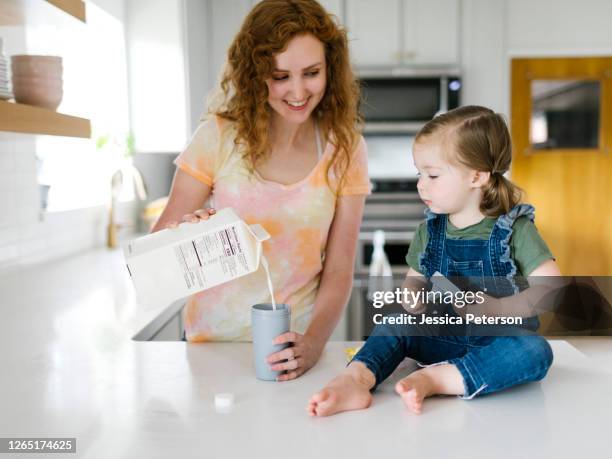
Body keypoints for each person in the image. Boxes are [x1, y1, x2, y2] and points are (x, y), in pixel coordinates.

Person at [152, 0, 370, 381]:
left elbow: (338, 268)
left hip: (292, 352)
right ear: (255, 75)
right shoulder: (217, 138)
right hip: (209, 352)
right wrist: (192, 236)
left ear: (330, 70)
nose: (298, 91)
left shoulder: (346, 149)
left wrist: (314, 343)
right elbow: (155, 262)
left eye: (312, 73)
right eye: (279, 76)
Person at [308, 105, 560, 416]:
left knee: (535, 351)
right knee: (395, 323)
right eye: (419, 174)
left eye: (433, 175)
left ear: (476, 176)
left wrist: (497, 308)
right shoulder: (430, 231)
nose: (421, 184)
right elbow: (413, 284)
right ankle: (355, 379)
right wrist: (414, 298)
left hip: (498, 344)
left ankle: (437, 379)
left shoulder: (515, 229)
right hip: (443, 338)